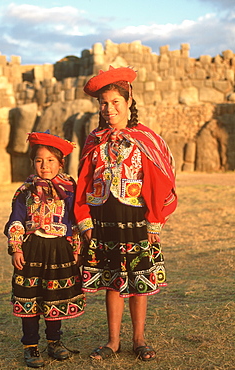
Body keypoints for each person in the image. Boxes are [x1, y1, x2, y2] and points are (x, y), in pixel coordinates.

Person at [74, 66, 177, 362]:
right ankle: (113, 341)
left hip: (136, 220)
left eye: (115, 102)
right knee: (112, 281)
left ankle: (139, 339)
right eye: (103, 104)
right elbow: (84, 181)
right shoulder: (95, 140)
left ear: (128, 101)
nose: (109, 109)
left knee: (137, 281)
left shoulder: (145, 139)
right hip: (104, 220)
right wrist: (84, 220)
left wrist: (155, 221)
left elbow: (159, 179)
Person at [4, 131, 85, 368]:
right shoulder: (25, 191)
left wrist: (76, 248)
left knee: (54, 297)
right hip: (32, 249)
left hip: (60, 249)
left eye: (51, 160)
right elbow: (16, 220)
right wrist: (17, 248)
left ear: (61, 163)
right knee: (30, 298)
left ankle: (54, 342)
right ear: (32, 163)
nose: (45, 166)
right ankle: (30, 345)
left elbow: (75, 220)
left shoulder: (70, 188)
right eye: (39, 160)